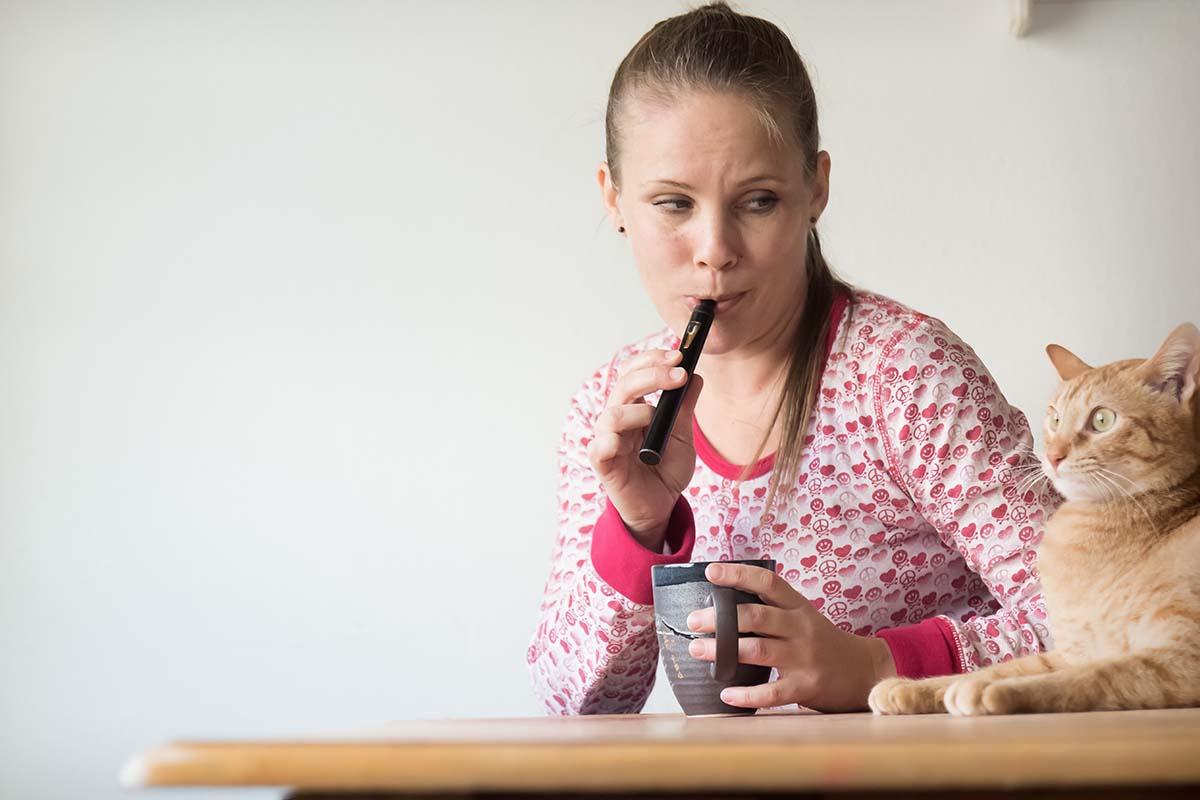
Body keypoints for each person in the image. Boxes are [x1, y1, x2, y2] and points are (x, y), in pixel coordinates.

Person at [527, 2, 1059, 715]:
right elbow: (577, 705)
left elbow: (1100, 624)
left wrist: (878, 665)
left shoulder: (905, 375)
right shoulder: (612, 407)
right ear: (614, 199)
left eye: (758, 201)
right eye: (674, 203)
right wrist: (636, 527)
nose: (715, 250)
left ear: (816, 189)